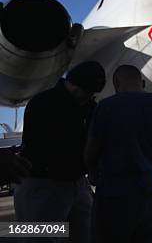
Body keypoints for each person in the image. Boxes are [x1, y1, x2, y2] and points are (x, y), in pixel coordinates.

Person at [14, 61, 106, 243]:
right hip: (43, 184)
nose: (88, 97)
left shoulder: (82, 106)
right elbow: (50, 148)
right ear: (74, 85)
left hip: (72, 183)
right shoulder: (46, 105)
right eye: (86, 93)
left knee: (82, 234)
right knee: (40, 238)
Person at [85, 65, 152, 243]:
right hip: (149, 188)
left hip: (114, 190)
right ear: (142, 82)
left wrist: (92, 172)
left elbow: (91, 149)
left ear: (116, 83)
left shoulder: (106, 107)